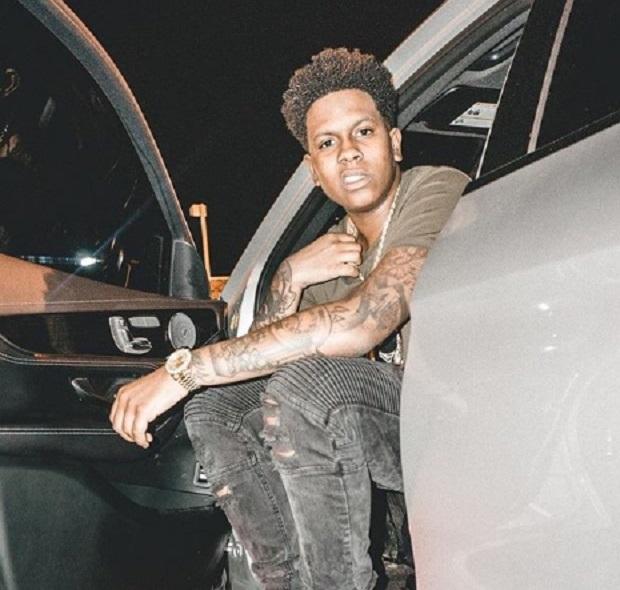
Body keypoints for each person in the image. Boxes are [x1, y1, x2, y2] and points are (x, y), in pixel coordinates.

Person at [110, 47, 469, 589]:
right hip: (394, 432)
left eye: (363, 132)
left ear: (394, 143)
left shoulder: (435, 189)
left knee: (310, 386)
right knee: (218, 408)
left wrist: (182, 371)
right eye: (328, 143)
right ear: (313, 170)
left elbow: (362, 322)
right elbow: (260, 377)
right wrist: (289, 277)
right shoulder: (332, 253)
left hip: (453, 421)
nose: (348, 153)